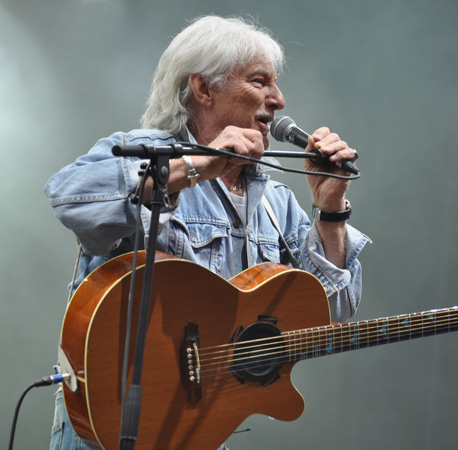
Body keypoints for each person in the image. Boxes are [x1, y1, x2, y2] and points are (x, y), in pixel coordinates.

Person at [44, 15, 369, 450]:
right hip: (108, 425)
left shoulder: (275, 202)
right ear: (203, 89)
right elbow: (68, 195)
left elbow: (334, 314)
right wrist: (199, 165)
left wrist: (330, 209)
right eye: (260, 82)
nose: (279, 99)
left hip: (201, 430)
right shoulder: (149, 152)